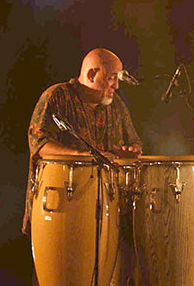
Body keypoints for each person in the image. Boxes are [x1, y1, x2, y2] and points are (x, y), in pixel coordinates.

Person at [23, 47, 142, 237]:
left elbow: (135, 142)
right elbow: (39, 144)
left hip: (108, 210)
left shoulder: (117, 105)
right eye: (112, 77)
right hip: (62, 206)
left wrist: (130, 151)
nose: (117, 86)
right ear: (92, 74)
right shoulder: (57, 97)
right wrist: (84, 156)